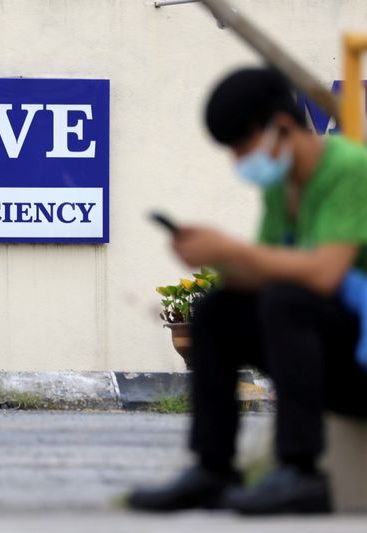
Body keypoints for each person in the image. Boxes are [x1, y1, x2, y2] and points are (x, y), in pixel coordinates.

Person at [127, 67, 367, 515]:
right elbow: (265, 271)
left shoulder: (351, 169)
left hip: (360, 359)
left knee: (286, 299)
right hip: (328, 349)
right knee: (218, 310)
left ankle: (301, 470)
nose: (239, 161)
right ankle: (213, 468)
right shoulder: (283, 187)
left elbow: (324, 274)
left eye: (242, 145)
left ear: (281, 127)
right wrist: (217, 257)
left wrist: (234, 249)